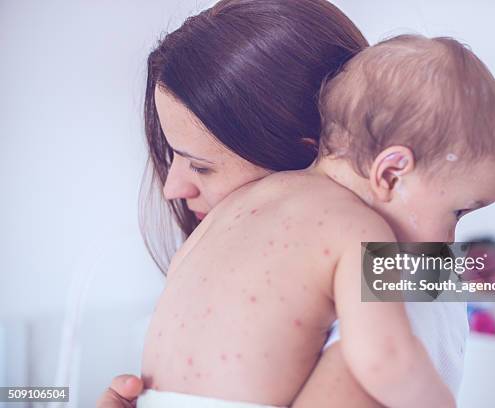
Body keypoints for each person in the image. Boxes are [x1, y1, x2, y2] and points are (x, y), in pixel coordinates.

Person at [96, 2, 473, 407]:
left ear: (302, 155)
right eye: (174, 157)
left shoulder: (395, 288)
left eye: (202, 167)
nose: (172, 187)